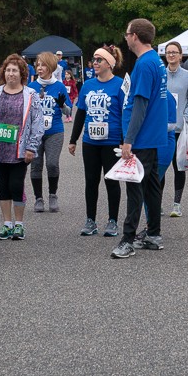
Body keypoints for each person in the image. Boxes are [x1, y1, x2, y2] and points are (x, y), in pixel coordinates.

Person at [112, 18, 169, 259]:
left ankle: (127, 240)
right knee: (152, 186)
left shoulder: (145, 64)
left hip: (142, 137)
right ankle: (154, 234)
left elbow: (140, 104)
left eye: (127, 34)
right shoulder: (155, 60)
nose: (125, 38)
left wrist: (129, 139)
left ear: (135, 36)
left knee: (135, 188)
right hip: (152, 135)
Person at [0, 54, 43, 241]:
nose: (11, 74)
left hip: (20, 149)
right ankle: (7, 224)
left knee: (16, 185)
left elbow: (38, 123)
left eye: (14, 70)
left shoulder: (30, 94)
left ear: (22, 73)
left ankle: (19, 224)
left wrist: (31, 147)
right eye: (8, 70)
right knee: (3, 186)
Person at [69, 45, 125, 237]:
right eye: (94, 59)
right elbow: (81, 113)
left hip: (112, 141)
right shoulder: (88, 85)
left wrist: (124, 141)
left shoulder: (120, 85)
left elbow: (125, 114)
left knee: (112, 181)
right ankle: (90, 220)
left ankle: (113, 221)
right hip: (90, 142)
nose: (95, 63)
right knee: (91, 181)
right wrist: (73, 139)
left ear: (109, 63)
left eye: (99, 59)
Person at [26, 51, 72, 213]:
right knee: (36, 165)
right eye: (38, 65)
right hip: (35, 133)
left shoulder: (59, 86)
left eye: (43, 65)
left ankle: (53, 195)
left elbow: (68, 112)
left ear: (51, 67)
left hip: (54, 131)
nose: (39, 68)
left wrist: (62, 105)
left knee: (52, 164)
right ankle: (38, 198)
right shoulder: (31, 87)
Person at [162, 41, 188, 218]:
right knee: (160, 167)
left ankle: (177, 204)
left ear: (181, 55)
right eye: (168, 52)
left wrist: (185, 117)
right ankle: (157, 203)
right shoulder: (160, 74)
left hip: (179, 130)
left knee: (179, 167)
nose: (171, 55)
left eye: (174, 52)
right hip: (161, 130)